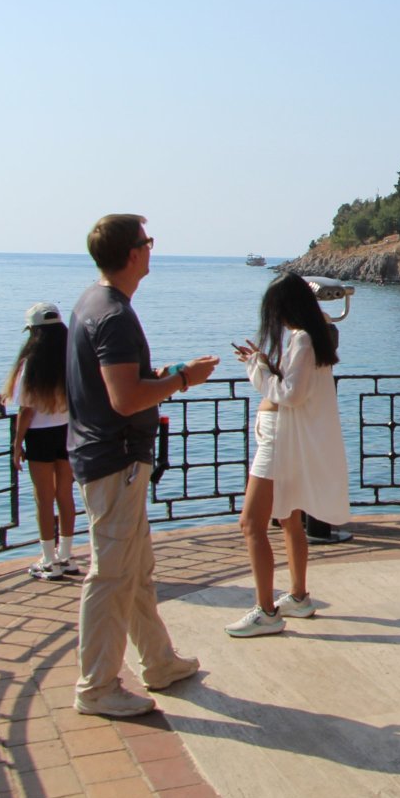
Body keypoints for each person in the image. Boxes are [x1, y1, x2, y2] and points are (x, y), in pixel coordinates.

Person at [67, 215, 219, 718]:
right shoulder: (113, 315)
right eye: (148, 243)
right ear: (133, 254)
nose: (152, 250)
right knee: (111, 575)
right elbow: (126, 397)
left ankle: (158, 662)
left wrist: (171, 372)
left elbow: (124, 380)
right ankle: (97, 688)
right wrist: (183, 382)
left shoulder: (94, 303)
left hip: (110, 459)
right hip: (115, 460)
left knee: (136, 570)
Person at [226, 274, 350, 638]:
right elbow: (298, 386)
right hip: (284, 437)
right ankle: (297, 595)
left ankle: (266, 610)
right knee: (288, 518)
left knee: (251, 523)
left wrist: (257, 370)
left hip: (278, 441)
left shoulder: (302, 339)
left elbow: (291, 394)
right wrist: (265, 363)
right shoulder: (312, 338)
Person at [2, 302, 78, 580]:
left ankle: (49, 560)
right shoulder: (72, 358)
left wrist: (16, 444)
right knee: (65, 494)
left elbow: (26, 410)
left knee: (43, 498)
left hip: (40, 436)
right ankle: (67, 555)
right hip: (67, 431)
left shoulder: (30, 364)